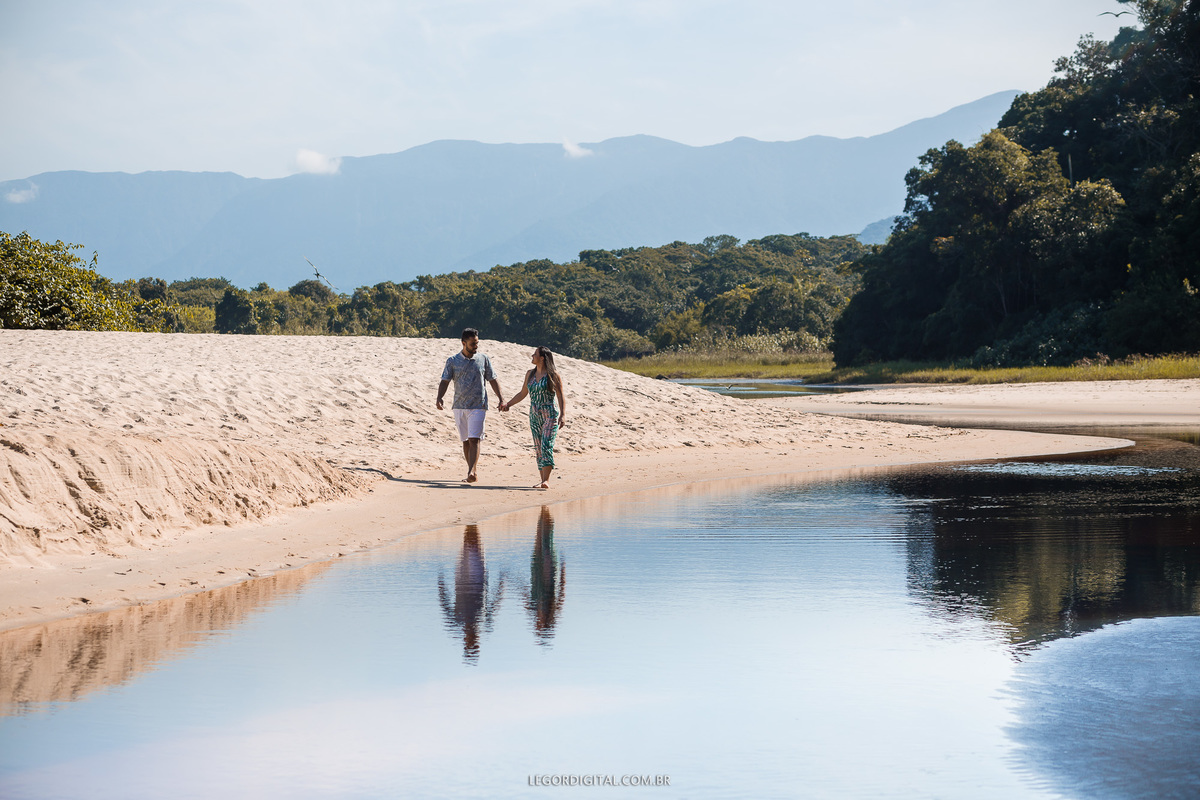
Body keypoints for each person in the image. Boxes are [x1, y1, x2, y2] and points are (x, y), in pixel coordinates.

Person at [436, 328, 505, 483]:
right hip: (459, 406)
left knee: (474, 439)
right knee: (466, 441)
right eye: (473, 344)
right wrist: (439, 397)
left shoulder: (483, 359)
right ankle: (470, 471)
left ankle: (472, 471)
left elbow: (492, 379)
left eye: (477, 343)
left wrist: (501, 398)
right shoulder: (452, 361)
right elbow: (445, 380)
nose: (476, 347)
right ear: (463, 343)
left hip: (478, 405)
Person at [500, 346, 566, 489]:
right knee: (538, 447)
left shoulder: (553, 375)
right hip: (534, 415)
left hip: (550, 414)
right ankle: (542, 480)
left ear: (542, 358)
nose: (532, 356)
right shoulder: (530, 374)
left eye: (535, 354)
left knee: (546, 445)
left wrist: (563, 415)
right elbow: (523, 393)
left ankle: (546, 481)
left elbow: (560, 395)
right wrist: (508, 404)